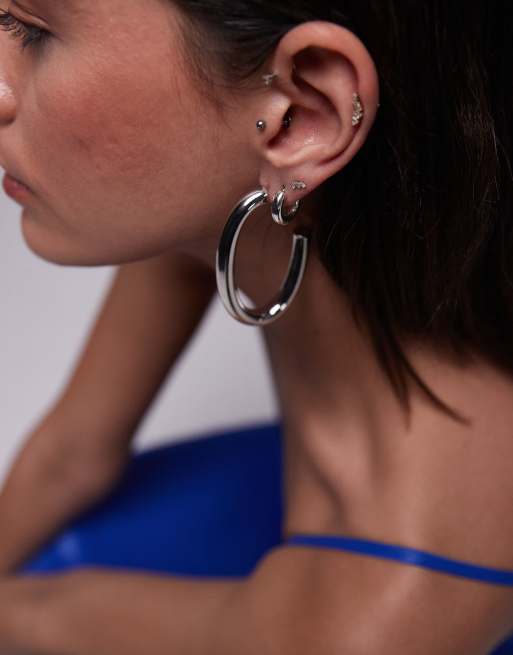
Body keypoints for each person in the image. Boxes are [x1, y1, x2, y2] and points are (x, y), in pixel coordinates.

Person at [0, 0, 512, 653]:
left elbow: (38, 613)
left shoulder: (382, 609)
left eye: (33, 31)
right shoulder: (228, 209)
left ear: (300, 114)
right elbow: (73, 452)